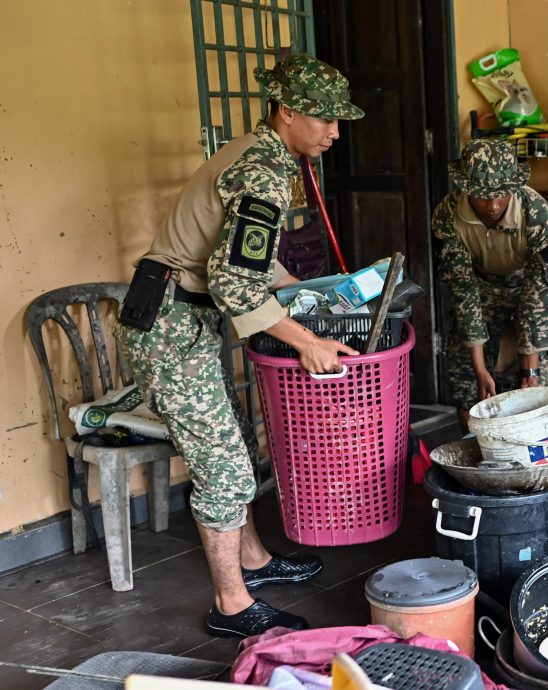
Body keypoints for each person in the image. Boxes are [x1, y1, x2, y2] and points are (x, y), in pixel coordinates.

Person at [115, 54, 364, 638]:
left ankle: (254, 561)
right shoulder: (263, 171)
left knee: (232, 442)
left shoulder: (261, 154)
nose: (333, 132)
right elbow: (233, 280)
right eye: (324, 119)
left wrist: (304, 292)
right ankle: (231, 606)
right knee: (224, 467)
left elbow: (246, 257)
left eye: (338, 121)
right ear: (287, 112)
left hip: (188, 315)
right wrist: (306, 341)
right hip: (170, 323)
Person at [432, 139, 548, 428]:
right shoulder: (448, 215)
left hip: (528, 285)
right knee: (465, 377)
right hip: (481, 287)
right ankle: (476, 456)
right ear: (466, 187)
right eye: (481, 196)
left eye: (501, 195)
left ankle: (543, 448)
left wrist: (530, 375)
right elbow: (464, 292)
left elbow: (538, 296)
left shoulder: (537, 215)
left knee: (544, 377)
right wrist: (480, 369)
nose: (492, 205)